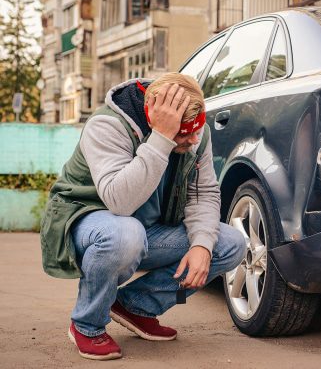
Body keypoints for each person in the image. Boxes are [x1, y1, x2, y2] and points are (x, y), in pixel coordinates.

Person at [40, 73, 246, 360]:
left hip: (146, 230)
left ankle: (135, 307)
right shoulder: (107, 125)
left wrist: (201, 245)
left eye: (196, 130)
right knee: (125, 234)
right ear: (156, 120)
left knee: (229, 243)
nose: (193, 140)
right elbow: (120, 203)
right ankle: (87, 325)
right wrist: (161, 140)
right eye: (183, 133)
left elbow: (204, 193)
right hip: (88, 222)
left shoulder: (196, 136)